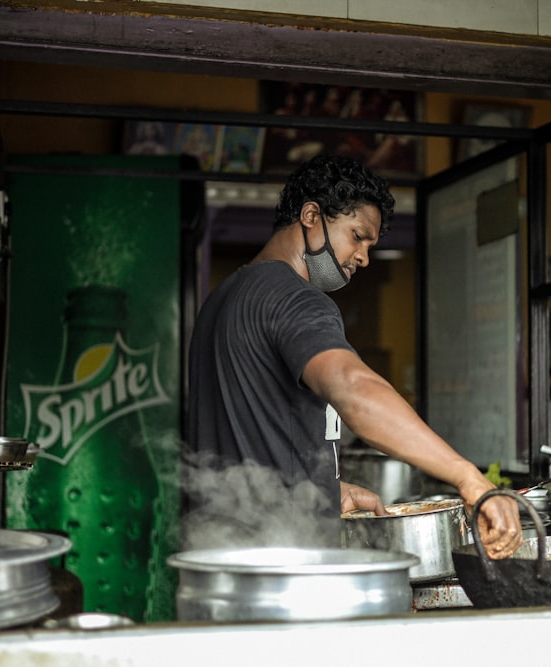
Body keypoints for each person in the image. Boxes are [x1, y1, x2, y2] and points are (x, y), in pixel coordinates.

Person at [185, 153, 523, 558]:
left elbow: (250, 433)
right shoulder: (297, 299)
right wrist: (470, 478)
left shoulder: (223, 298)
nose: (363, 256)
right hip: (281, 563)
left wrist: (323, 489)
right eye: (358, 235)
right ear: (311, 215)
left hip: (216, 553)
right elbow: (354, 389)